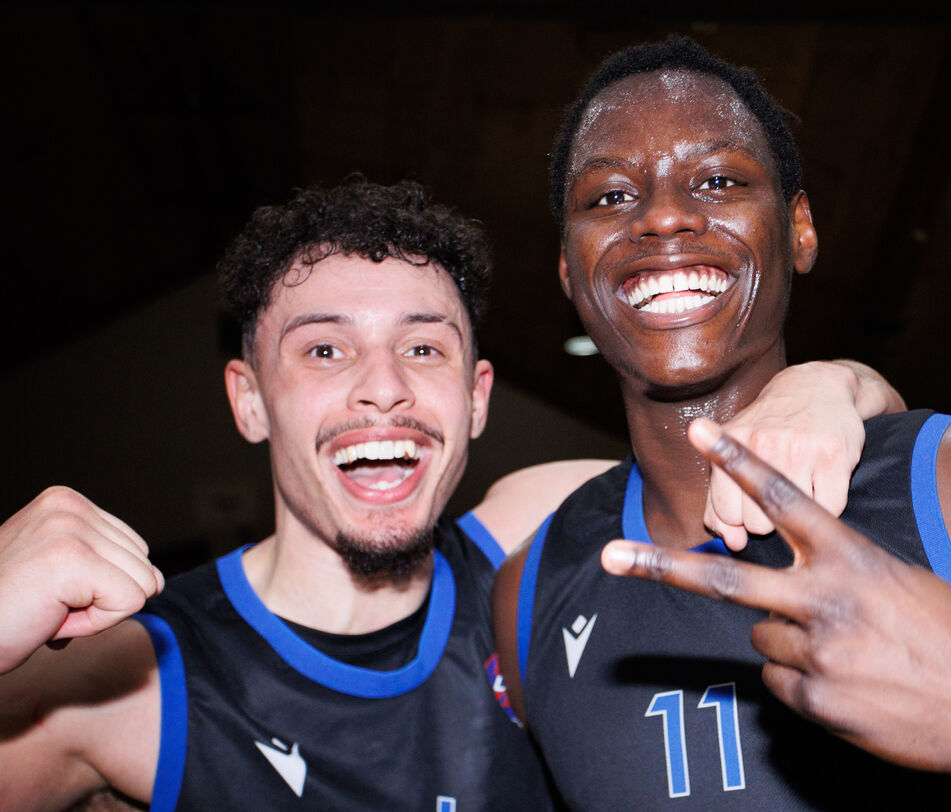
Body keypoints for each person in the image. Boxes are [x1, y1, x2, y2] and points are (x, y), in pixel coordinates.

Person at [0, 176, 900, 810]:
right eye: (324, 349)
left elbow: (820, 459)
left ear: (475, 399)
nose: (382, 387)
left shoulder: (539, 534)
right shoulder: (131, 683)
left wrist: (831, 385)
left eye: (424, 347)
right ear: (249, 401)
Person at [493, 35, 951, 810]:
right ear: (568, 266)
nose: (663, 216)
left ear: (799, 231)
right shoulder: (529, 591)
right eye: (610, 197)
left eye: (719, 180)